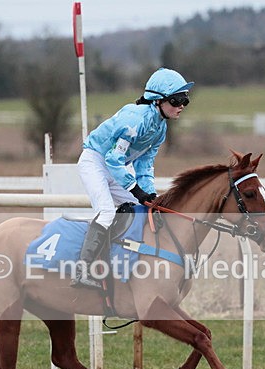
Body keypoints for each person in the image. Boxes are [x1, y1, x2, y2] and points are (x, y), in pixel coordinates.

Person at [71, 67, 193, 289]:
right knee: (107, 211)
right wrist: (136, 188)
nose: (182, 105)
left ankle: (123, 262)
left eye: (185, 99)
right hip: (95, 162)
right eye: (177, 100)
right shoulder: (135, 120)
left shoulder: (160, 128)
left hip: (114, 167)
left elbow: (144, 164)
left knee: (142, 208)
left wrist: (149, 194)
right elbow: (113, 160)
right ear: (158, 101)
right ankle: (82, 269)